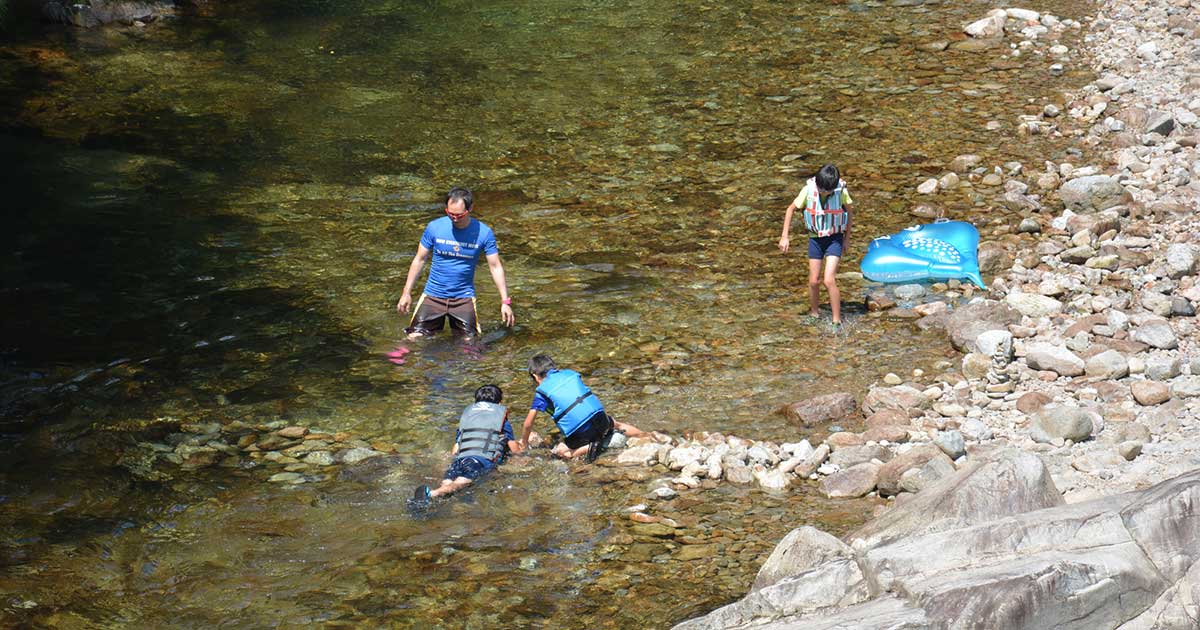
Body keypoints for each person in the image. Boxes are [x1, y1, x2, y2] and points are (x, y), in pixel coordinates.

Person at [396, 187, 515, 339]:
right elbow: (419, 259)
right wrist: (406, 293)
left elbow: (495, 266)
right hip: (433, 295)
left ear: (470, 208)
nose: (454, 218)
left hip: (463, 298)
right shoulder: (434, 228)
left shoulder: (484, 233)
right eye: (450, 214)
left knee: (469, 343)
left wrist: (505, 301)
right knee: (413, 338)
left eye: (459, 215)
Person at [411, 384, 533, 506]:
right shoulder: (501, 421)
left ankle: (424, 501)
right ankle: (431, 494)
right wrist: (524, 451)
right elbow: (515, 449)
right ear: (499, 403)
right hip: (478, 461)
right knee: (460, 483)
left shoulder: (467, 419)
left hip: (459, 460)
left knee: (448, 484)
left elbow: (455, 450)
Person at [519, 354, 645, 463]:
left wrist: (524, 442)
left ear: (535, 377)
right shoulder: (570, 373)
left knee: (560, 452)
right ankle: (645, 435)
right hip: (602, 420)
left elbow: (528, 424)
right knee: (616, 424)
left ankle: (583, 449)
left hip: (581, 434)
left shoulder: (541, 394)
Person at [777, 164, 854, 327]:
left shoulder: (841, 192)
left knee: (828, 280)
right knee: (813, 280)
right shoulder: (808, 190)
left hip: (834, 239)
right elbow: (790, 209)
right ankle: (814, 312)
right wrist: (785, 236)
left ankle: (836, 320)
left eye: (827, 191)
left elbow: (850, 213)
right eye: (821, 190)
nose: (823, 193)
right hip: (815, 239)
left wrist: (846, 239)